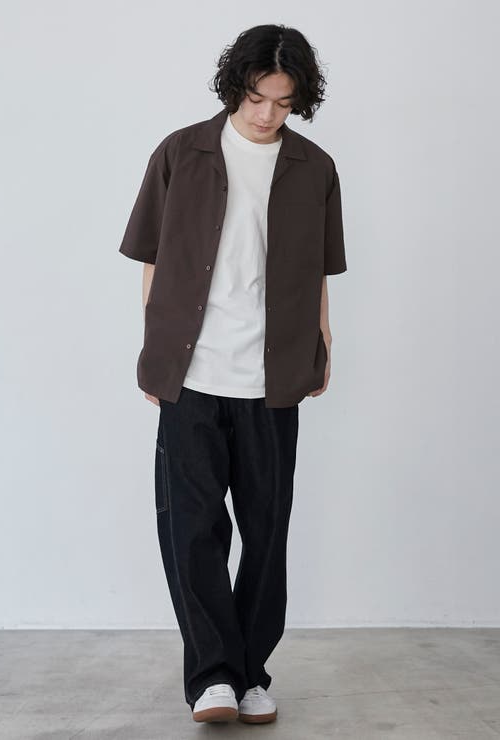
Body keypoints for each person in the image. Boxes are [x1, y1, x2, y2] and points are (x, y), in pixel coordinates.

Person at [118, 23, 347, 725]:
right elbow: (152, 261)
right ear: (234, 87)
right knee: (191, 530)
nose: (267, 114)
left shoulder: (314, 167)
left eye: (283, 102)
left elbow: (317, 273)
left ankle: (250, 674)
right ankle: (212, 676)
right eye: (256, 97)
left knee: (267, 532)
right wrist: (156, 349)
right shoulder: (180, 152)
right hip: (192, 374)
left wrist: (324, 344)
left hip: (271, 379)